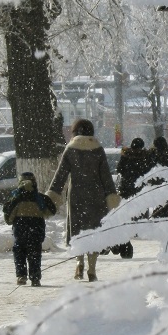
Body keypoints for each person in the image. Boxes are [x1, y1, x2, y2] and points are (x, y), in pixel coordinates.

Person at [48, 119, 120, 282]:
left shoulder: (70, 149)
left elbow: (60, 175)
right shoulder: (98, 150)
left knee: (77, 230)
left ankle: (79, 263)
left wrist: (53, 194)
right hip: (96, 197)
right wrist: (111, 195)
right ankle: (92, 269)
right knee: (93, 231)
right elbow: (106, 176)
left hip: (77, 196)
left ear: (74, 132)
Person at [3, 172, 56, 286]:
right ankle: (35, 278)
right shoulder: (40, 198)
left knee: (19, 252)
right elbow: (51, 211)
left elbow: (8, 218)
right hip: (37, 227)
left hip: (20, 227)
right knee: (35, 253)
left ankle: (21, 276)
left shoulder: (15, 197)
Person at [112, 137, 154, 259]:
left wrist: (128, 172)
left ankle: (128, 226)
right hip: (139, 186)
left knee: (126, 208)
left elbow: (119, 169)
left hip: (126, 187)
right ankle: (139, 226)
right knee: (140, 207)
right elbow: (150, 170)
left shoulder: (126, 155)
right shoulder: (146, 156)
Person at [148, 136, 168, 217]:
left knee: (157, 200)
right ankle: (167, 213)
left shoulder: (152, 153)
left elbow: (149, 166)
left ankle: (157, 213)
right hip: (167, 180)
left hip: (156, 180)